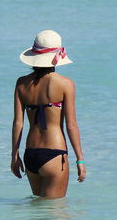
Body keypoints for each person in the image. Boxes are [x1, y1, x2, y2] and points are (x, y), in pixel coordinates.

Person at [11, 30, 86, 198]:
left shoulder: (21, 83)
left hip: (30, 154)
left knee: (38, 214)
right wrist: (80, 160)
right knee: (54, 215)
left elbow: (18, 123)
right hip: (54, 154)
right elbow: (71, 125)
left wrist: (14, 156)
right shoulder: (66, 84)